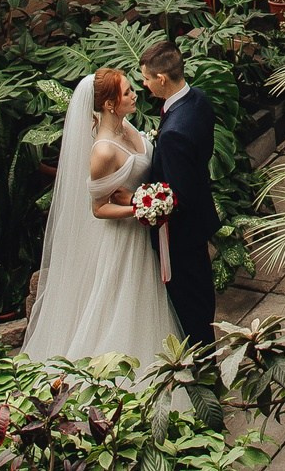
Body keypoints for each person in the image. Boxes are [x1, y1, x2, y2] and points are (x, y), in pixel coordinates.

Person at [22, 68, 185, 371]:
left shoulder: (127, 126)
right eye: (127, 92)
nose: (135, 94)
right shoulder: (104, 151)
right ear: (109, 104)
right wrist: (141, 208)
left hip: (143, 233)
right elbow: (98, 208)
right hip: (123, 239)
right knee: (125, 305)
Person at [139, 41, 219, 347]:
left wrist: (142, 203)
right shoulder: (198, 99)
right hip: (201, 217)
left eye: (146, 79)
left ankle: (203, 361)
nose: (144, 85)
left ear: (161, 79)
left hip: (180, 237)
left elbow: (178, 197)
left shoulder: (173, 133)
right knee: (201, 296)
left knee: (190, 306)